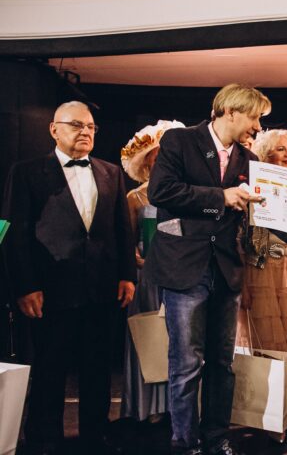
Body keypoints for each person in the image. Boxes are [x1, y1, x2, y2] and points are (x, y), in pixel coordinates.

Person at [143, 84, 270, 455]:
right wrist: (221, 198)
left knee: (222, 363)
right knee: (185, 363)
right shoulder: (179, 141)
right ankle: (185, 442)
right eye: (254, 117)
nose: (258, 127)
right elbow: (161, 192)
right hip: (185, 268)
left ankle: (217, 438)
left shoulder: (250, 160)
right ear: (230, 111)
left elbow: (264, 214)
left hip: (226, 271)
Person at [2, 101, 135, 454]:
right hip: (51, 289)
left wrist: (127, 275)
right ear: (54, 129)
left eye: (91, 126)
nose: (85, 132)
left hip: (101, 288)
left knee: (98, 368)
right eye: (76, 125)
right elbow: (16, 234)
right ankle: (44, 440)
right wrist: (25, 286)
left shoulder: (110, 172)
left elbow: (122, 229)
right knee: (50, 368)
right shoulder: (27, 172)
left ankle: (95, 436)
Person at [235, 129, 287, 412]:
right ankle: (272, 413)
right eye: (281, 149)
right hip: (261, 273)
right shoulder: (251, 188)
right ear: (265, 153)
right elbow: (241, 237)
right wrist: (242, 283)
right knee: (268, 342)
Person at [119, 120, 185, 422]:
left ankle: (177, 407)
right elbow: (126, 242)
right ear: (147, 162)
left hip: (180, 276)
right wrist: (135, 259)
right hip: (148, 280)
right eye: (159, 156)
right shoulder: (135, 197)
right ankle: (148, 408)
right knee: (148, 336)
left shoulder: (185, 194)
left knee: (180, 339)